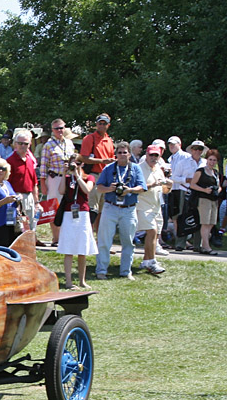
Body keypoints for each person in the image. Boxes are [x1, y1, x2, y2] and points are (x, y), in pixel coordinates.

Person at [95, 141, 146, 280]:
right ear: (115, 154)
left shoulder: (136, 168)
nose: (122, 155)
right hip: (110, 207)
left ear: (129, 154)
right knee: (104, 240)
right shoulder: (108, 168)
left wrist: (129, 190)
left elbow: (142, 187)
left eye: (125, 152)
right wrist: (109, 189)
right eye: (119, 152)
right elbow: (99, 186)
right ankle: (101, 270)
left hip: (128, 209)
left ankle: (126, 271)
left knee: (128, 241)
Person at [55, 158, 98, 289]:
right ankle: (68, 281)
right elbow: (61, 191)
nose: (75, 166)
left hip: (83, 213)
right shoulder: (67, 178)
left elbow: (87, 190)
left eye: (78, 164)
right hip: (69, 214)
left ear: (82, 164)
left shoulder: (89, 177)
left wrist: (78, 175)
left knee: (82, 249)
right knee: (68, 249)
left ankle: (82, 280)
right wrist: (64, 173)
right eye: (73, 164)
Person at [38, 118, 75, 245]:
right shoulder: (48, 145)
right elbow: (43, 166)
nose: (60, 130)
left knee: (68, 206)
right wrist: (43, 184)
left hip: (68, 177)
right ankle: (56, 237)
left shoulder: (69, 143)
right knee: (54, 208)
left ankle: (65, 237)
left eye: (61, 128)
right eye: (57, 128)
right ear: (52, 130)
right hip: (54, 178)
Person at [136, 145, 170, 274]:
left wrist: (169, 186)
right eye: (152, 155)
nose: (154, 158)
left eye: (156, 155)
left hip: (156, 206)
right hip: (142, 205)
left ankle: (146, 261)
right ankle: (152, 262)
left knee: (154, 235)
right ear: (147, 154)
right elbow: (137, 188)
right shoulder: (139, 168)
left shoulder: (159, 170)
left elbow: (163, 190)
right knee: (152, 231)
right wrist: (152, 185)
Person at [7, 129, 40, 235]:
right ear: (15, 144)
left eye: (25, 143)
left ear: (29, 145)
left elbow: (34, 183)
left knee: (30, 226)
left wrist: (36, 202)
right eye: (20, 143)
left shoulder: (30, 161)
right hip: (16, 197)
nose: (22, 146)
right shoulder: (9, 161)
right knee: (18, 228)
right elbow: (6, 184)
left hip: (29, 197)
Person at [188, 148, 221, 255]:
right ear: (206, 160)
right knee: (205, 223)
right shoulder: (200, 171)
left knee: (211, 223)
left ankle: (204, 244)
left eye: (214, 160)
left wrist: (217, 190)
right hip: (203, 200)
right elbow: (192, 185)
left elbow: (219, 186)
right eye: (210, 159)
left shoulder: (215, 173)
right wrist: (204, 190)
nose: (212, 162)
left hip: (213, 200)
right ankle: (206, 247)